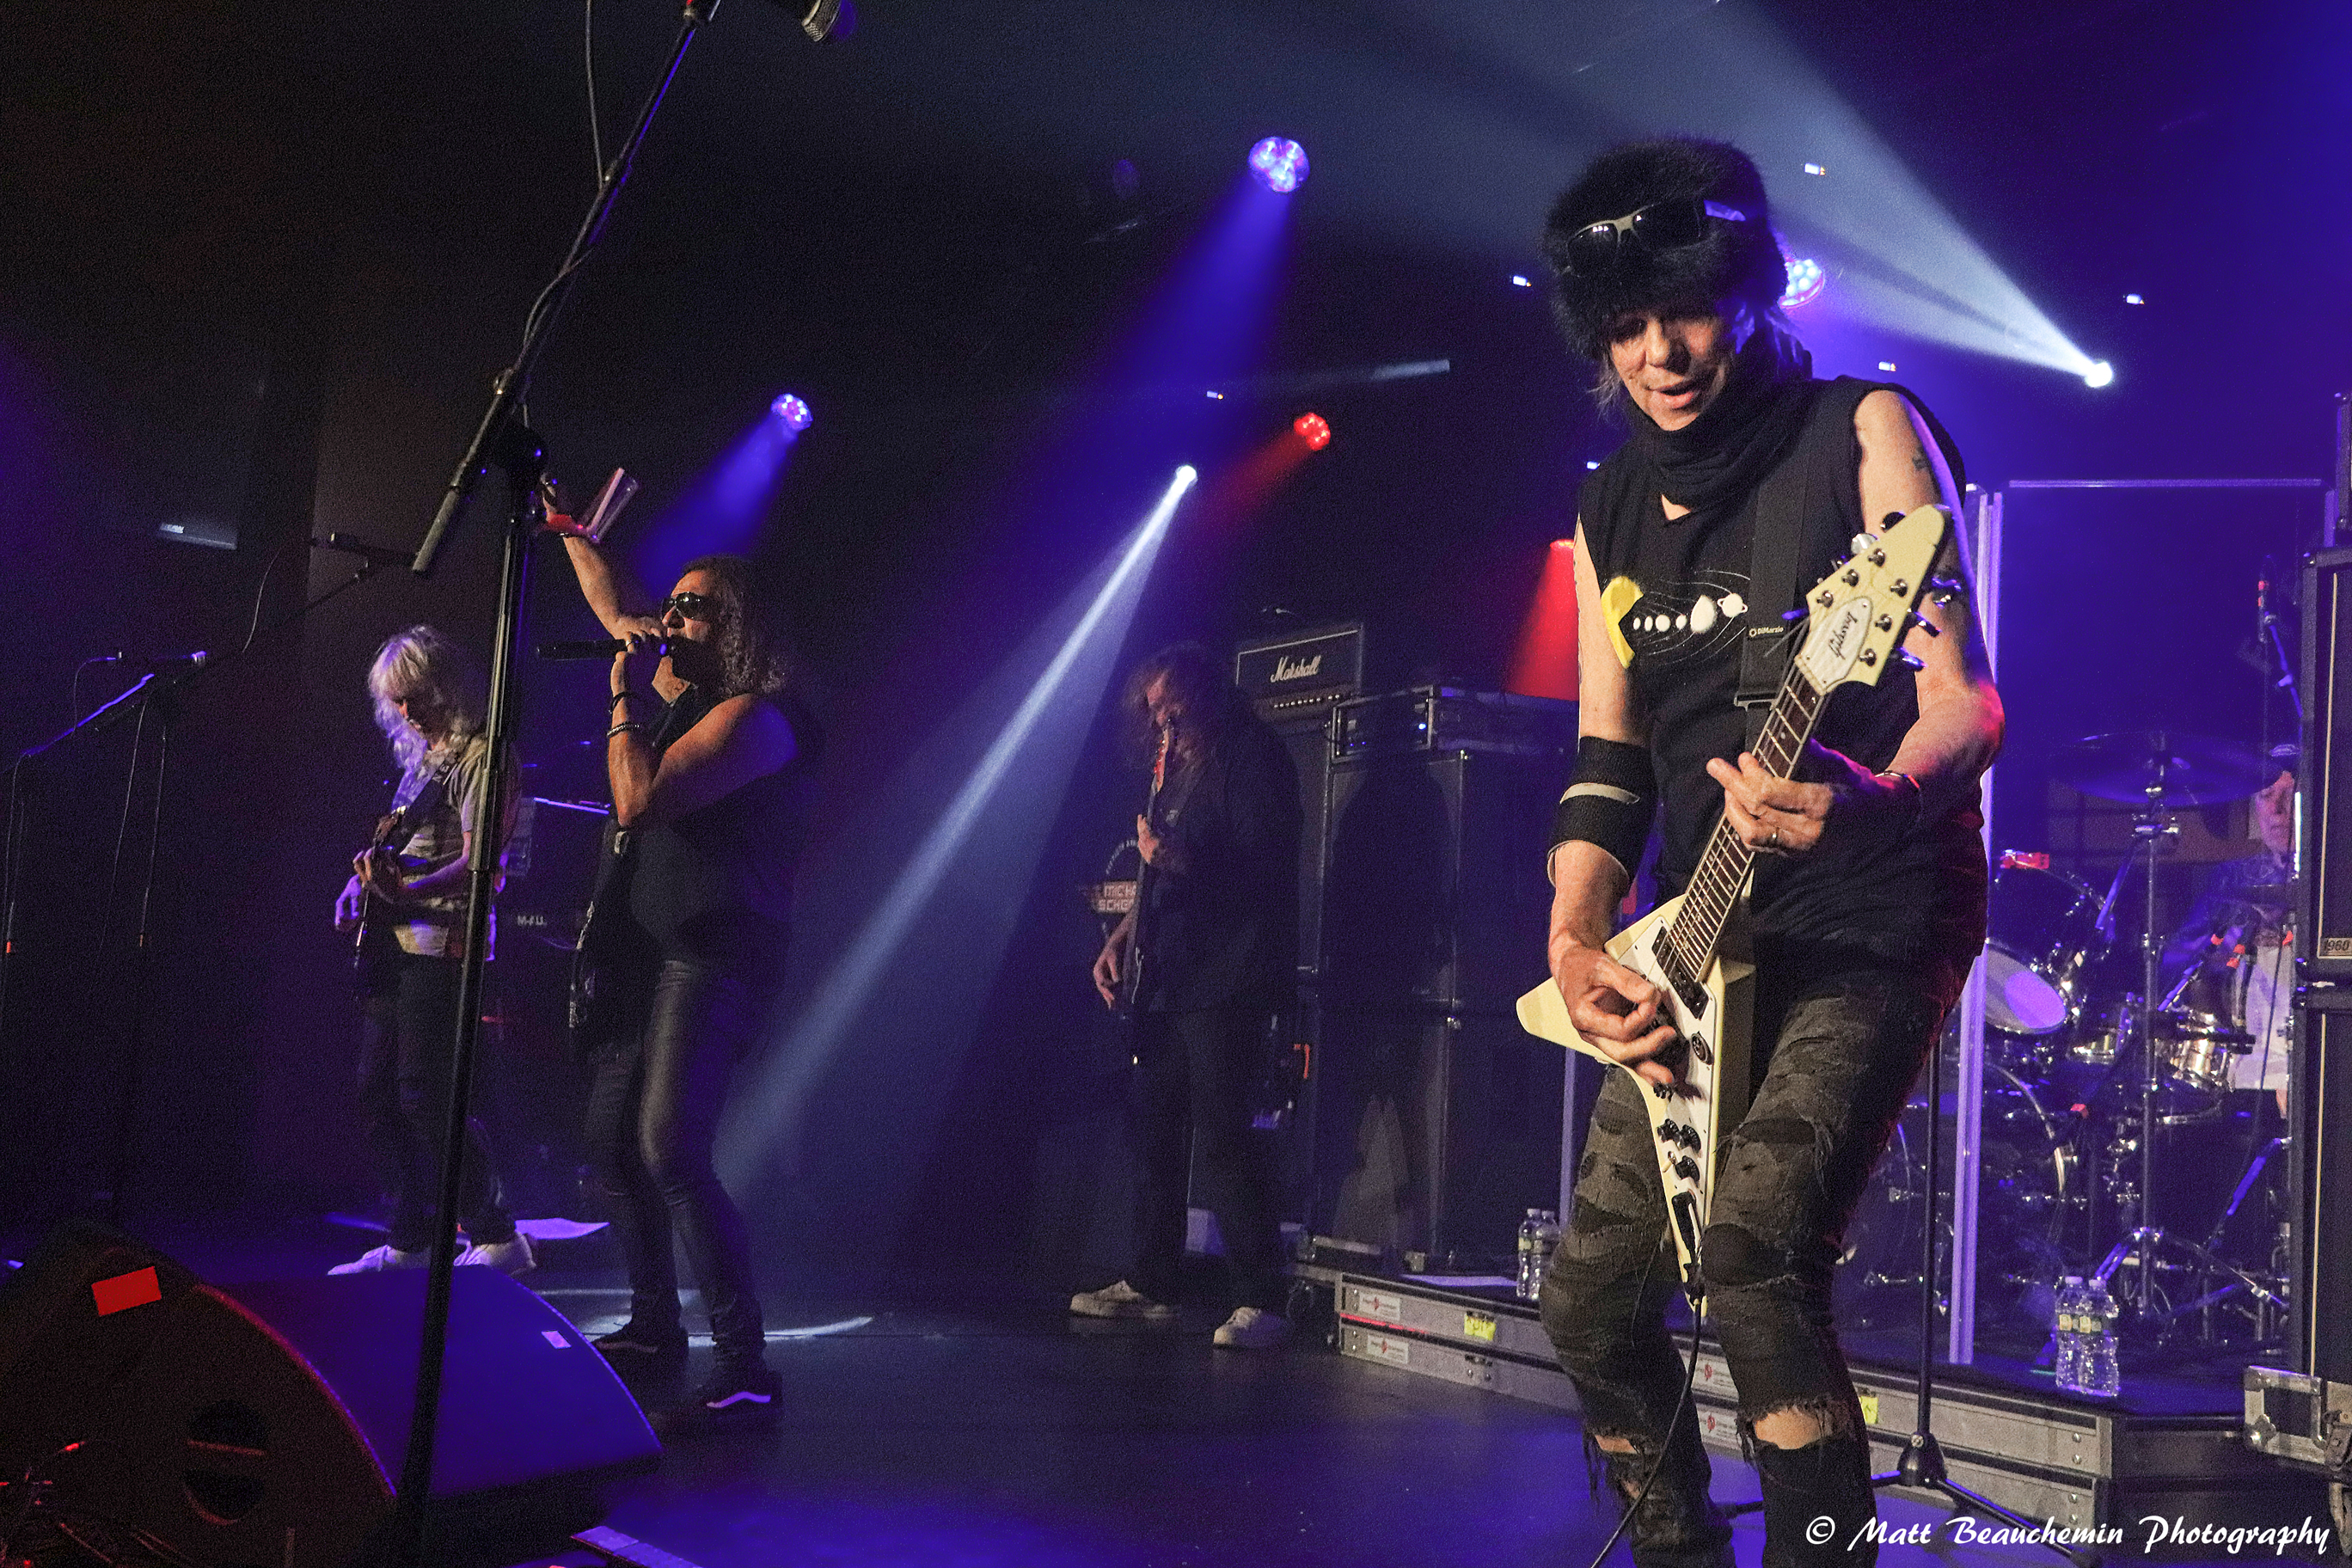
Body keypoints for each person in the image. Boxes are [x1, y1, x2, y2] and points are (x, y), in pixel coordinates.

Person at [1533, 138, 2002, 1566]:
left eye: (1683, 310)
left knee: (1751, 1258)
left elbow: (1966, 702)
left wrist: (1876, 795)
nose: (1658, 353)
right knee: (1591, 1301)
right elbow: (1610, 760)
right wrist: (1574, 938)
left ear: (1745, 290)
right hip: (1704, 932)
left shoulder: (1859, 430)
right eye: (1624, 326)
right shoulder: (1607, 506)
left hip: (1870, 903)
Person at [552, 528, 817, 1435]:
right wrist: (573, 536)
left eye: (690, 607)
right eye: (670, 604)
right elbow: (616, 610)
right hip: (646, 954)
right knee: (613, 1145)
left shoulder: (758, 718)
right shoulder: (686, 689)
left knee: (670, 1149)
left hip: (715, 953)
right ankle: (654, 1326)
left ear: (735, 624)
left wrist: (622, 700)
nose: (668, 620)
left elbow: (639, 800)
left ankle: (745, 1366)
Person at [1074, 642, 1302, 1351]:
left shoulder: (1252, 757)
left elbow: (1266, 867)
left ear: (1203, 696)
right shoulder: (1171, 769)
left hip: (1230, 973)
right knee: (1154, 1125)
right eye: (1154, 712)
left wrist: (1182, 860)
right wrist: (1122, 938)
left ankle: (1262, 1297)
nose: (1162, 723)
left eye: (1172, 707)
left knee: (1224, 1135)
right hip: (1173, 974)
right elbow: (1158, 872)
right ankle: (1154, 1281)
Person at [330, 625, 532, 1277]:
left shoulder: (484, 757)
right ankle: (413, 1240)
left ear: (446, 687)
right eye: (397, 700)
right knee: (376, 1094)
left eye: (416, 696)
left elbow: (483, 867)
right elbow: (395, 854)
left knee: (428, 1097)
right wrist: (359, 889)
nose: (407, 711)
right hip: (394, 944)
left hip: (444, 945)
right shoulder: (424, 758)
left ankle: (498, 1236)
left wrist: (405, 893)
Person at [2162, 767, 2295, 1116]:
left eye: (2289, 796)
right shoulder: (2232, 876)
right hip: (2236, 1062)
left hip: (2311, 1057)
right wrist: (2221, 952)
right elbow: (2179, 957)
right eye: (2267, 797)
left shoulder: (2335, 879)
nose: (2278, 811)